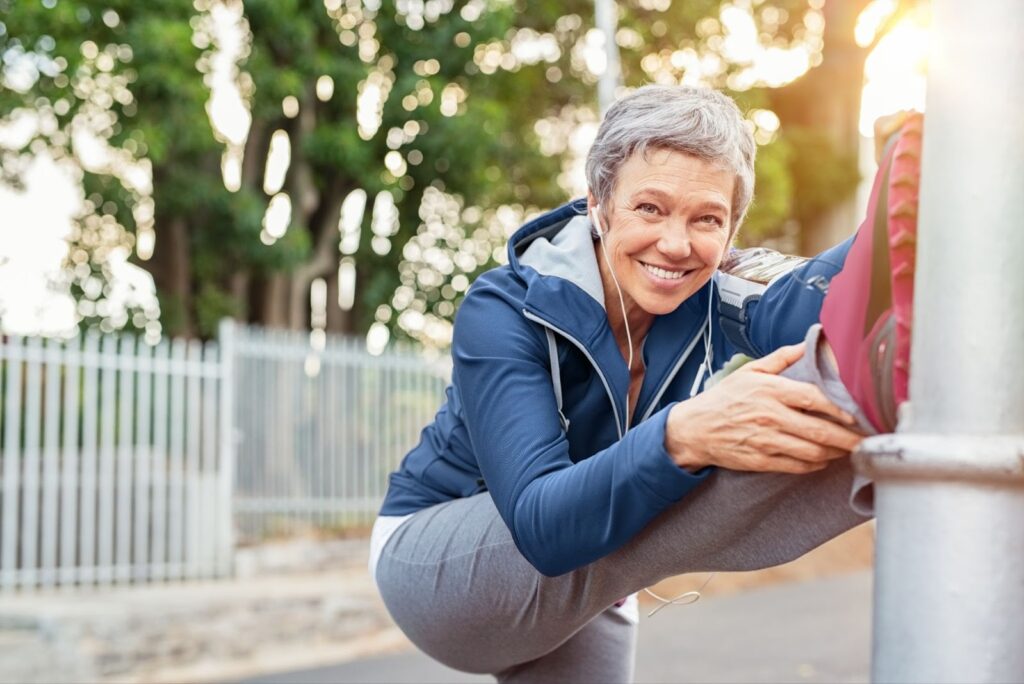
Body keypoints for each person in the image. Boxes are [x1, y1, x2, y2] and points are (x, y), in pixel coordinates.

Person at [370, 85, 920, 682]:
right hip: (441, 565)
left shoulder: (712, 294)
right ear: (599, 207)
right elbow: (541, 526)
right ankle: (890, 397)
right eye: (650, 209)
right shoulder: (506, 306)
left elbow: (811, 304)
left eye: (706, 218)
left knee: (813, 362)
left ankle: (906, 383)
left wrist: (909, 204)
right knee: (732, 432)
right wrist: (683, 435)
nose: (676, 244)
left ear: (731, 229)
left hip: (598, 576)